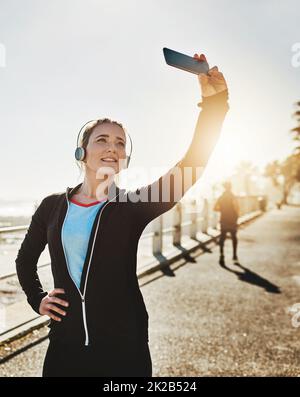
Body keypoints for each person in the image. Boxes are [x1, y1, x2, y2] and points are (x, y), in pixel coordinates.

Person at [15, 52, 230, 377]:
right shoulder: (52, 206)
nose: (113, 147)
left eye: (120, 143)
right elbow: (25, 259)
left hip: (123, 348)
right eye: (102, 140)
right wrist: (39, 299)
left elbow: (191, 167)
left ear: (125, 159)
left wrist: (214, 106)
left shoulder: (132, 206)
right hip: (64, 347)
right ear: (82, 152)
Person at [214, 181, 240, 263]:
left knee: (222, 237)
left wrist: (222, 209)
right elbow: (237, 208)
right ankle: (234, 255)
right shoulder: (233, 196)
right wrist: (236, 217)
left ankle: (221, 255)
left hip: (223, 219)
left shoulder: (221, 197)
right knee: (234, 237)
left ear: (224, 187)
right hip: (232, 219)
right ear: (230, 187)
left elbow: (214, 208)